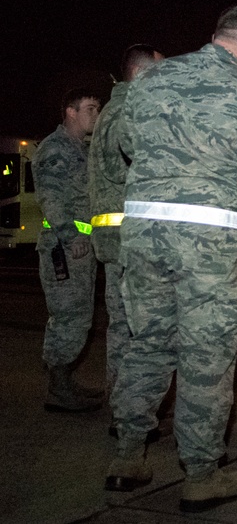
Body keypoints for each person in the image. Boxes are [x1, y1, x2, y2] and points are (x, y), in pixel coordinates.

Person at [105, 5, 237, 513]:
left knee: (146, 343)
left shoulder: (150, 79)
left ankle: (128, 457)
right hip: (210, 241)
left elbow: (126, 142)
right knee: (206, 359)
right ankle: (200, 473)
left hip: (144, 232)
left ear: (215, 36)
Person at [88, 44, 164, 429]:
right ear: (142, 74)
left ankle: (120, 405)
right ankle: (127, 413)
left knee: (122, 327)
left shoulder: (110, 111)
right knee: (138, 332)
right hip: (128, 240)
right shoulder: (127, 113)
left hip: (113, 237)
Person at [35, 87, 103, 413]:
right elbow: (50, 199)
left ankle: (65, 382)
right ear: (71, 112)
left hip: (81, 248)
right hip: (64, 248)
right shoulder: (54, 149)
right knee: (67, 319)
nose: (96, 115)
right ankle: (58, 389)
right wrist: (70, 235)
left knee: (79, 318)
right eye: (90, 108)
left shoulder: (82, 150)